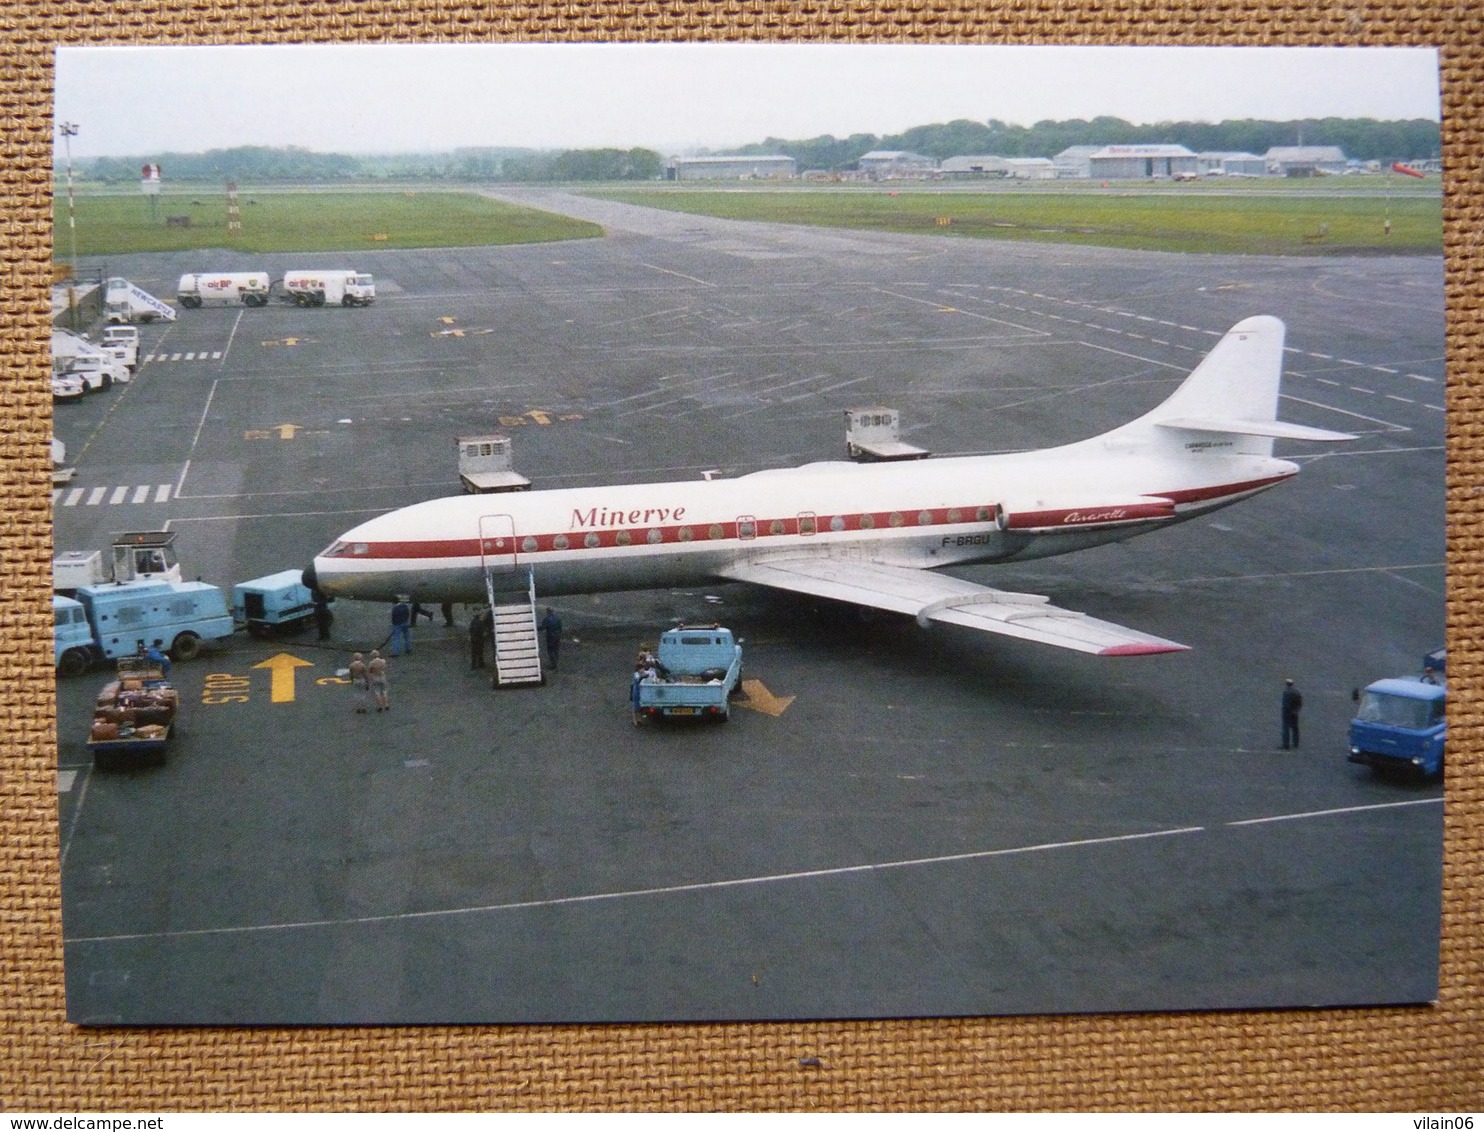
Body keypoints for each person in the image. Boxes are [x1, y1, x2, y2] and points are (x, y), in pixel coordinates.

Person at [1281, 679, 1303, 750]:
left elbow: (1285, 703)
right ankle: (1295, 743)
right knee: (1295, 727)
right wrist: (1296, 710)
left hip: (1287, 712)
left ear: (1287, 684)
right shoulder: (1297, 692)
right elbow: (1300, 702)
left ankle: (1286, 744)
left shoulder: (1286, 692)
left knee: (1286, 728)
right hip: (1295, 711)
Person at [540, 607, 563, 672]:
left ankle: (553, 663)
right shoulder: (558, 618)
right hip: (557, 635)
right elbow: (560, 627)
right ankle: (556, 661)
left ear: (548, 612)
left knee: (550, 649)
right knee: (556, 649)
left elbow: (543, 627)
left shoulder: (547, 619)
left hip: (550, 635)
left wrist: (536, 629)